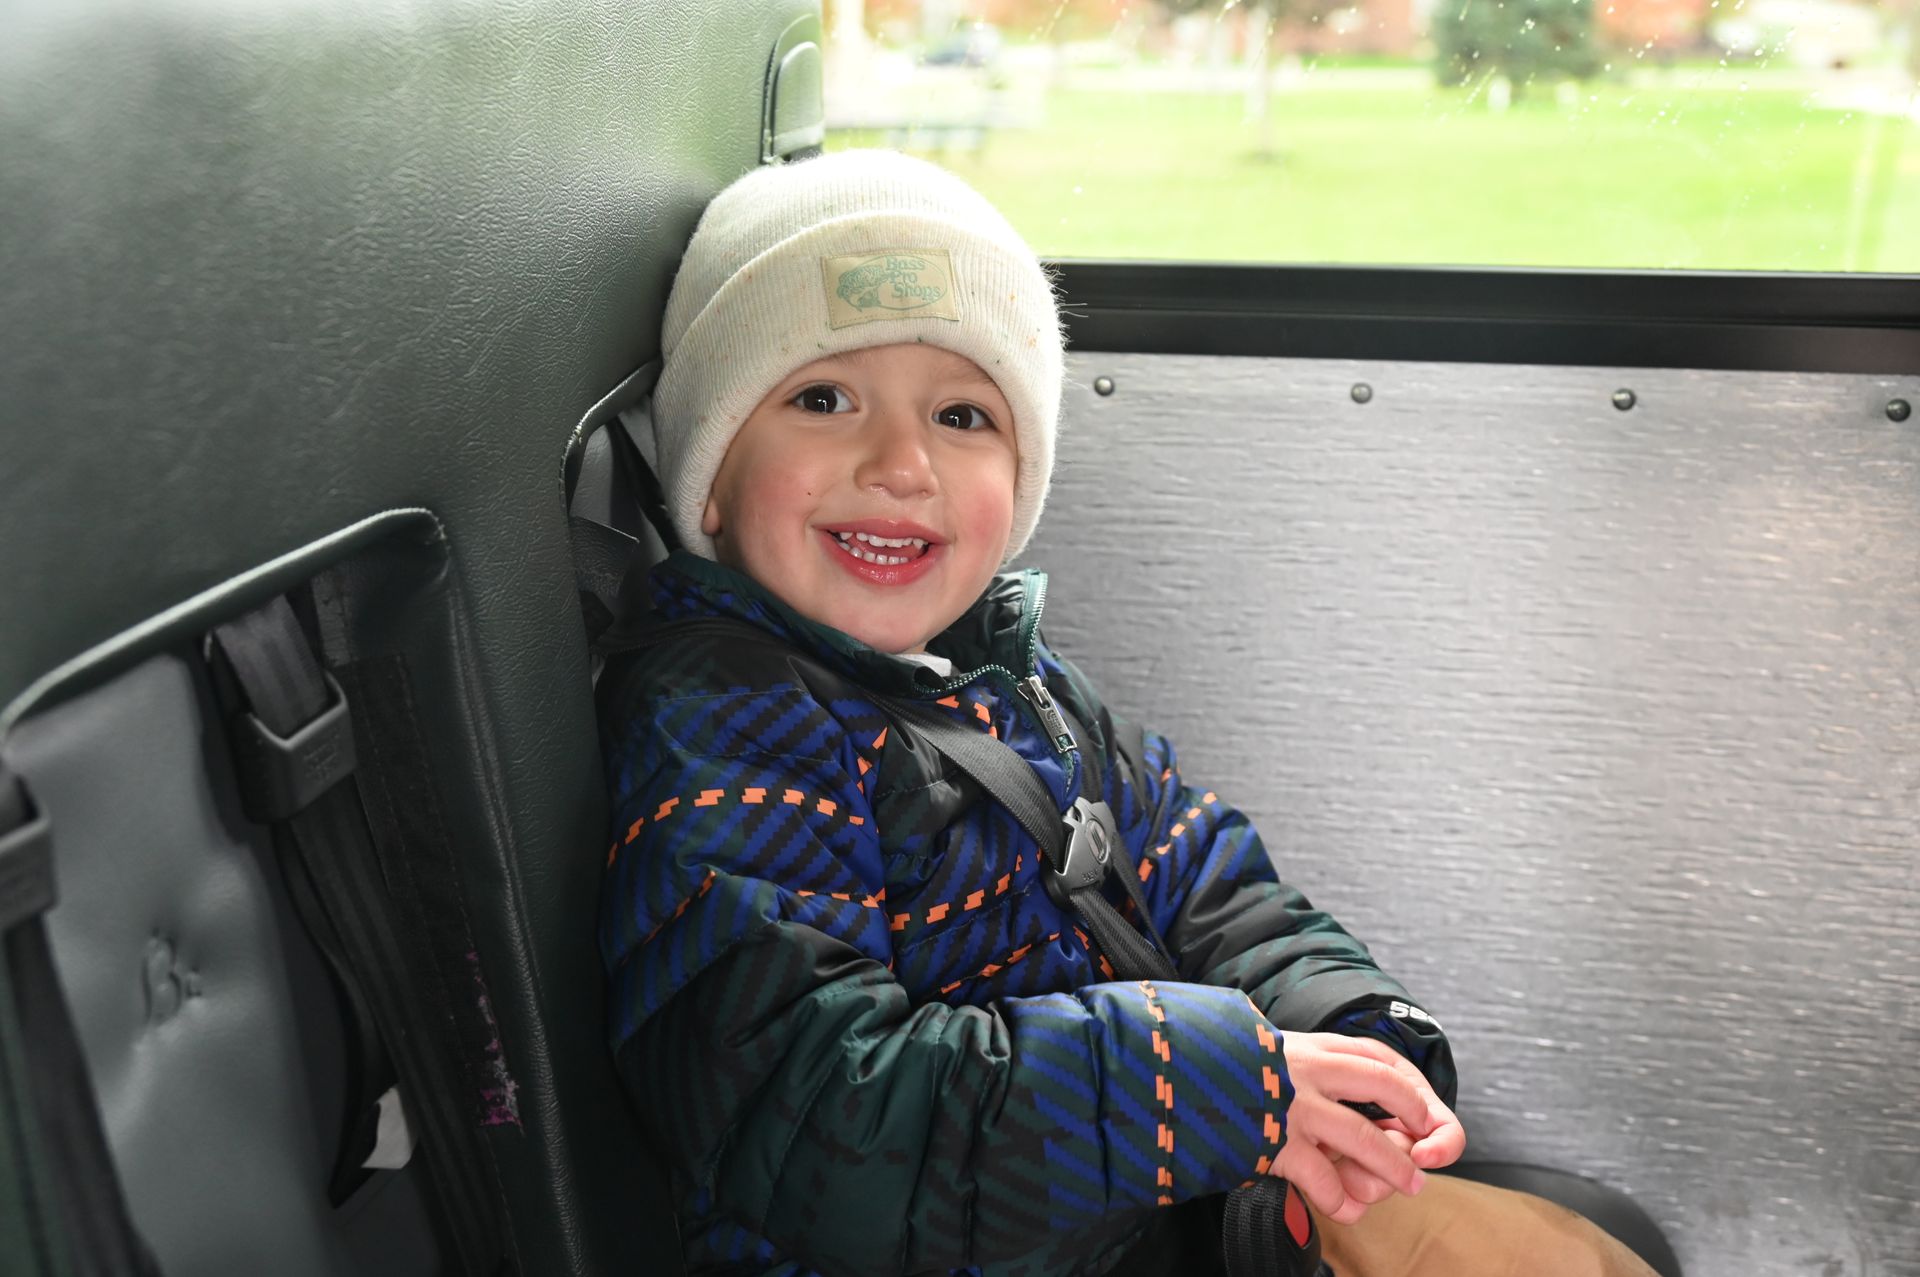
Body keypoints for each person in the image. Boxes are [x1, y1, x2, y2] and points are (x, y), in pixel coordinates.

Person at [597, 149, 1654, 1277]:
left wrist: (1343, 1027)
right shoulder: (725, 727)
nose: (902, 463)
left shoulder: (1005, 679)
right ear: (708, 473)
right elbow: (821, 1117)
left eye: (962, 414)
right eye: (822, 398)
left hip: (1146, 1187)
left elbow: (1190, 870)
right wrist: (1210, 1085)